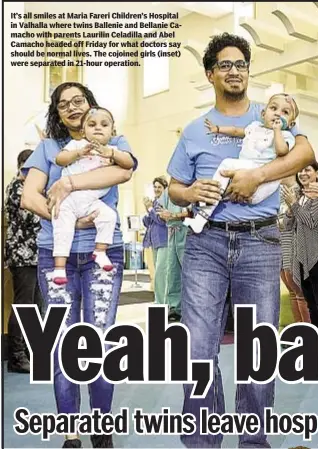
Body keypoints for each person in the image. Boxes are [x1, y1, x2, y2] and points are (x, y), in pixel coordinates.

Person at [166, 32, 314, 448]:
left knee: (258, 348)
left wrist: (256, 177)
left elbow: (304, 154)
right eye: (226, 65)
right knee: (196, 346)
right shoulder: (194, 130)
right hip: (205, 243)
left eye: (241, 65)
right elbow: (174, 188)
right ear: (211, 73)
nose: (235, 71)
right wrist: (192, 192)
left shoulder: (272, 115)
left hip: (260, 242)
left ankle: (253, 442)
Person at [20, 81, 137, 449]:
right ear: (56, 113)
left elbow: (122, 172)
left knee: (101, 341)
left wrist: (68, 184)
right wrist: (63, 217)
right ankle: (71, 432)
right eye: (63, 104)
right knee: (62, 344)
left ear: (91, 105)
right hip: (55, 254)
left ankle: (101, 428)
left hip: (103, 253)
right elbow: (28, 196)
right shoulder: (49, 148)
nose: (72, 108)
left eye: (79, 101)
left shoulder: (114, 142)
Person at [184, 92, 299, 233]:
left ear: (291, 123)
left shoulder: (286, 136)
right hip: (246, 182)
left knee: (226, 165)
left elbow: (282, 151)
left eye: (285, 112)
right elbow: (236, 131)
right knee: (226, 187)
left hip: (262, 179)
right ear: (263, 114)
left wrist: (277, 130)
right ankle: (202, 216)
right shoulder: (255, 127)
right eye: (273, 108)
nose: (277, 114)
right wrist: (218, 129)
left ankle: (207, 204)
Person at [51, 107, 135, 285]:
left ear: (112, 131)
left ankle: (100, 251)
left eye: (104, 125)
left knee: (109, 216)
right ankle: (59, 267)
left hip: (91, 201)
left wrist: (111, 153)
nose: (98, 128)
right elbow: (60, 159)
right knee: (62, 228)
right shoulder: (77, 145)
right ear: (83, 131)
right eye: (92, 124)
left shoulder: (112, 150)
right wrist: (78, 153)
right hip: (69, 199)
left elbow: (129, 165)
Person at [281, 162, 318, 330]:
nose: (303, 174)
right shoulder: (298, 195)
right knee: (311, 304)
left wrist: (294, 204)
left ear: (317, 173)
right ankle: (317, 341)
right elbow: (287, 225)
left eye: (307, 170)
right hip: (302, 257)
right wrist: (291, 209)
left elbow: (311, 221)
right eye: (300, 170)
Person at [4, 149, 43, 374]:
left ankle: (32, 350)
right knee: (24, 306)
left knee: (37, 306)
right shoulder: (17, 188)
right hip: (23, 255)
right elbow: (31, 216)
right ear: (21, 166)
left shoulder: (33, 189)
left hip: (38, 254)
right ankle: (16, 356)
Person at [153, 187, 189, 322]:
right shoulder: (169, 191)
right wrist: (163, 214)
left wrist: (174, 215)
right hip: (172, 233)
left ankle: (188, 308)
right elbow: (160, 211)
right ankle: (175, 307)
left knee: (189, 272)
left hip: (187, 233)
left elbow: (194, 213)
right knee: (172, 272)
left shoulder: (192, 186)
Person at [279, 175, 310, 325]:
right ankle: (301, 330)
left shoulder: (299, 192)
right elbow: (284, 222)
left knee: (300, 294)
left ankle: (308, 333)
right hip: (282, 247)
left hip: (295, 249)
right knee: (295, 293)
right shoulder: (280, 191)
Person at [142, 176, 170, 304]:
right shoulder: (153, 202)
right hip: (153, 241)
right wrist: (147, 210)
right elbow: (147, 222)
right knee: (155, 274)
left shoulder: (164, 203)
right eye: (155, 187)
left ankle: (161, 302)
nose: (156, 189)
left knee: (161, 274)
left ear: (164, 189)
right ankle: (158, 300)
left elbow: (161, 220)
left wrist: (150, 209)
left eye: (159, 187)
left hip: (163, 241)